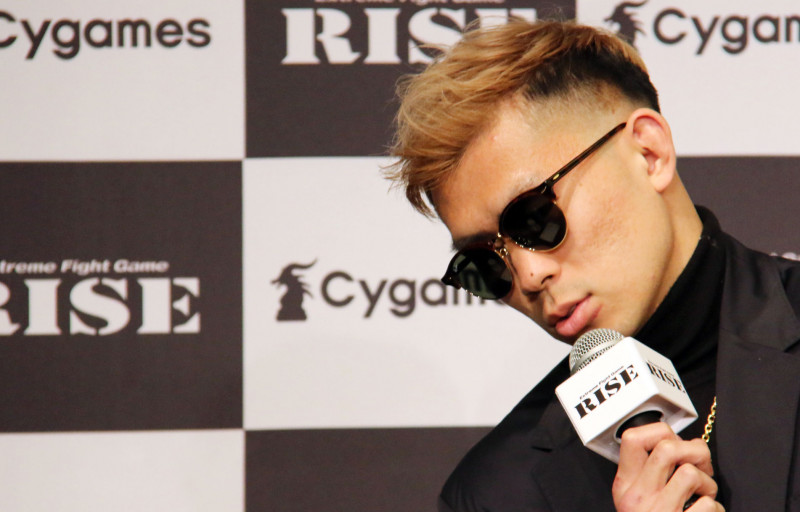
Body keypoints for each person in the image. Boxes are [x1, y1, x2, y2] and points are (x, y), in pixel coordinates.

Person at [386, 18, 800, 512]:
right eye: (485, 261)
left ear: (648, 153)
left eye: (535, 218)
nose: (529, 276)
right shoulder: (496, 495)